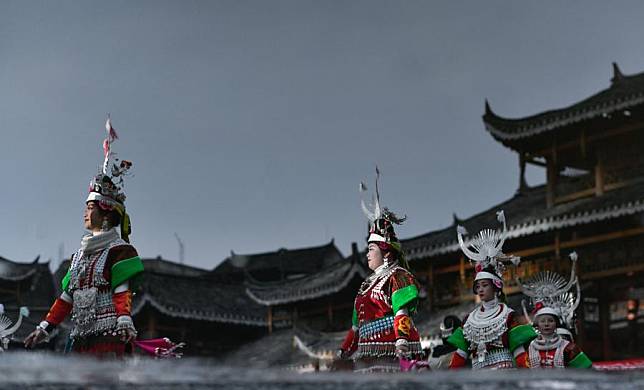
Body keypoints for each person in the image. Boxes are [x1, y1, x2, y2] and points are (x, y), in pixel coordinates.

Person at [24, 117, 144, 357]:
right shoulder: (78, 256)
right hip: (80, 336)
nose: (85, 214)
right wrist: (44, 328)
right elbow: (66, 298)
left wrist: (123, 319)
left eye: (91, 209)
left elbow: (122, 291)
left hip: (108, 333)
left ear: (107, 213)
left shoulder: (119, 251)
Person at [336, 170, 422, 372]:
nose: (367, 254)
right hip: (367, 357)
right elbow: (356, 328)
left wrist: (401, 341)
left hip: (391, 352)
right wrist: (342, 353)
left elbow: (402, 312)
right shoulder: (365, 286)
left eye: (370, 249)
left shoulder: (398, 276)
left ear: (386, 254)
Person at [447, 211, 536, 369]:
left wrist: (529, 375)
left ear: (496, 287)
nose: (480, 290)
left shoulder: (507, 316)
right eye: (478, 286)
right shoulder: (469, 320)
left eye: (485, 285)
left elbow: (519, 351)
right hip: (479, 377)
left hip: (504, 375)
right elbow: (461, 354)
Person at [517, 252, 592, 369]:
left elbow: (586, 369)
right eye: (543, 321)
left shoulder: (568, 347)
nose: (546, 324)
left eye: (550, 320)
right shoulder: (530, 349)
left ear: (556, 323)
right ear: (537, 324)